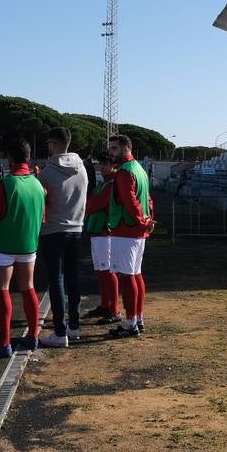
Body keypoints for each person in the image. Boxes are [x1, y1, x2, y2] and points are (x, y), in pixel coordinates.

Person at [0, 140, 46, 358]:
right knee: (28, 288)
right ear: (28, 158)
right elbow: (42, 218)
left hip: (3, 246)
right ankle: (33, 336)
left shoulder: (4, 184)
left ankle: (3, 343)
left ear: (11, 159)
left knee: (2, 292)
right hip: (28, 245)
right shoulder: (38, 185)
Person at [36, 128, 88, 348]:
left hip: (53, 231)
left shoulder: (47, 173)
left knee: (56, 280)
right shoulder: (82, 169)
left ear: (54, 145)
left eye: (49, 143)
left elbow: (39, 202)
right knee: (73, 278)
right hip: (76, 229)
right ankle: (73, 326)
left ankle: (59, 331)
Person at [104, 135, 155, 338]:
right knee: (135, 275)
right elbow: (148, 200)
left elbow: (130, 201)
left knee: (127, 277)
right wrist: (148, 220)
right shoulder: (139, 170)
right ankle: (138, 319)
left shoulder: (125, 172)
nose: (111, 153)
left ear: (126, 148)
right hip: (136, 231)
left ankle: (130, 323)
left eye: (114, 149)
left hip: (126, 229)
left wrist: (143, 221)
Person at [84, 155, 120, 323]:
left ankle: (114, 309)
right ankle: (105, 305)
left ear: (114, 166)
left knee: (108, 271)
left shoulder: (111, 185)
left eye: (106, 164)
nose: (102, 167)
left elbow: (92, 205)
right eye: (101, 164)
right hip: (97, 231)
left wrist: (91, 204)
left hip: (106, 232)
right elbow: (90, 203)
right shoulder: (103, 184)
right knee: (101, 271)